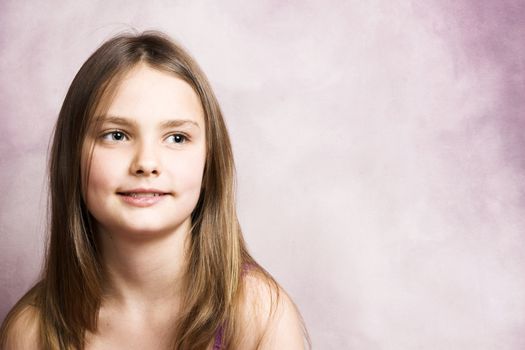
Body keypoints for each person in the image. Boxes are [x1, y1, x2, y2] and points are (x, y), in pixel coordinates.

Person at [0, 30, 310, 349]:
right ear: (72, 158)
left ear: (209, 163)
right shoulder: (31, 333)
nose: (146, 163)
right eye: (116, 135)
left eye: (176, 138)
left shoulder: (258, 314)